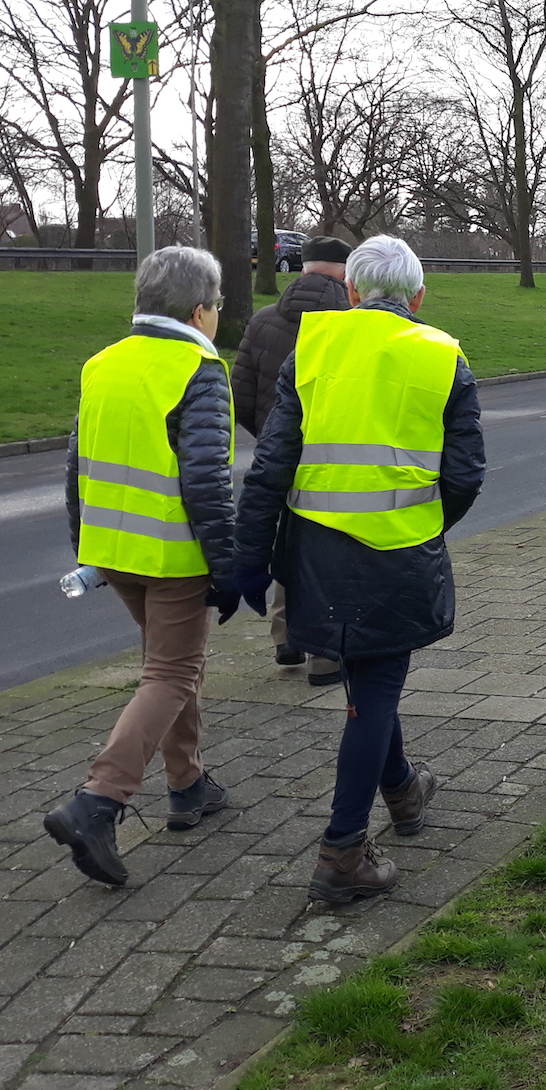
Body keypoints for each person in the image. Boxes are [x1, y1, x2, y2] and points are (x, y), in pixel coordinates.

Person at [233, 235, 486, 904]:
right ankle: (343, 851)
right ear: (419, 297)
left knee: (368, 678)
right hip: (399, 552)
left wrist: (249, 557)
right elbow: (465, 474)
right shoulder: (443, 356)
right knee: (373, 693)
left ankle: (403, 789)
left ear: (351, 292)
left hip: (316, 555)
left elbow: (270, 467)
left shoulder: (311, 351)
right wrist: (424, 523)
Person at [43, 246, 240, 888]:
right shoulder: (198, 370)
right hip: (173, 554)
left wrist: (88, 549)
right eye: (217, 305)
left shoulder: (102, 364)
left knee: (172, 666)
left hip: (115, 551)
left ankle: (187, 785)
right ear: (199, 311)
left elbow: (76, 467)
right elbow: (207, 482)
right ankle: (98, 801)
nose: (218, 315)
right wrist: (228, 565)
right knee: (171, 671)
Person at [231, 235, 353, 687]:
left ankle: (285, 636)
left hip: (276, 451)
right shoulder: (351, 323)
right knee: (327, 548)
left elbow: (241, 397)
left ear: (303, 269)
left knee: (284, 537)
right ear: (346, 275)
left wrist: (270, 437)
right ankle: (325, 655)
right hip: (337, 456)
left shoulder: (263, 321)